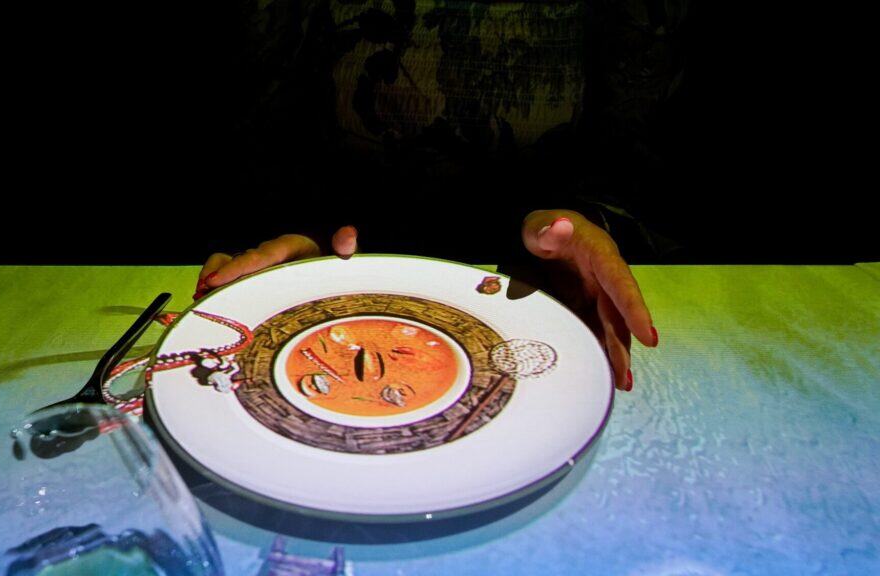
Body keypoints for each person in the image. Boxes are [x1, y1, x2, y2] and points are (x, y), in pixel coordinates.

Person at [196, 0, 682, 392]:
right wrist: (289, 229)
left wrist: (586, 223)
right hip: (333, 260)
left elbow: (640, 152)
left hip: (532, 274)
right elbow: (254, 122)